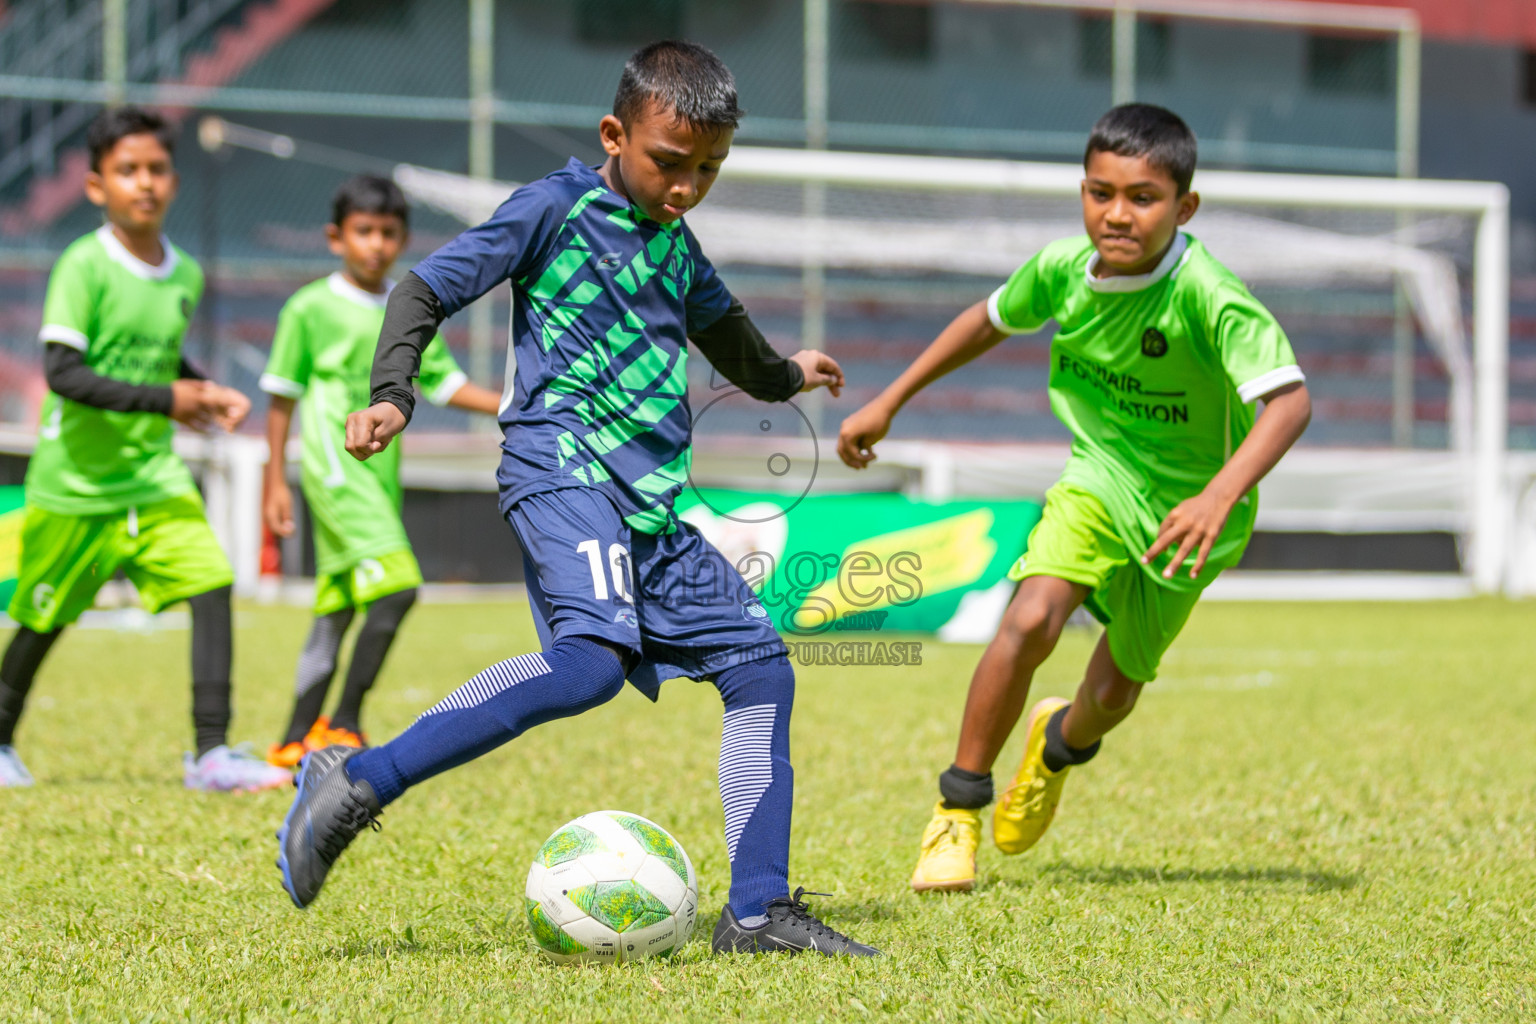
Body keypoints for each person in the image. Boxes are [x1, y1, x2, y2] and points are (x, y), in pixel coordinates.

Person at [274, 41, 881, 957]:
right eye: (670, 164)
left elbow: (740, 351)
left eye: (708, 171)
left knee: (762, 667)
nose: (685, 187)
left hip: (650, 509)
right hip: (560, 468)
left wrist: (792, 371)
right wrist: (393, 396)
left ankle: (757, 912)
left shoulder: (680, 251)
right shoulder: (554, 206)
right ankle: (353, 780)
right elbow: (423, 289)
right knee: (589, 663)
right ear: (614, 134)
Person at [836, 104, 1312, 893]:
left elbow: (1289, 401)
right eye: (1100, 192)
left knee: (1112, 695)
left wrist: (1218, 496)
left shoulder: (1209, 294)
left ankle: (1055, 745)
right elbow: (988, 321)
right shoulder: (1062, 268)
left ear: (1184, 207)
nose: (1117, 213)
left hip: (1191, 518)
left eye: (1143, 197)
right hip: (1097, 478)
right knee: (1029, 618)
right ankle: (956, 812)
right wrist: (891, 400)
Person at [0, 106, 290, 792]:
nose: (144, 183)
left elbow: (160, 359)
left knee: (212, 584)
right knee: (45, 617)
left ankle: (212, 754)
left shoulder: (184, 273)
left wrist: (202, 390)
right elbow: (65, 374)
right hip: (78, 485)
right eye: (126, 171)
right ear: (97, 187)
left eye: (156, 169)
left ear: (174, 180)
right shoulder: (84, 265)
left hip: (154, 479)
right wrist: (171, 400)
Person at [260, 175, 501, 767]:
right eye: (363, 232)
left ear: (403, 239)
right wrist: (273, 481)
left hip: (379, 478)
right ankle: (343, 724)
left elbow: (442, 381)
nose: (376, 245)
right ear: (335, 237)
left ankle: (294, 736)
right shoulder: (309, 307)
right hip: (334, 470)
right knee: (398, 588)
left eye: (388, 234)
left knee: (338, 606)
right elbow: (282, 398)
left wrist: (514, 403)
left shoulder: (408, 305)